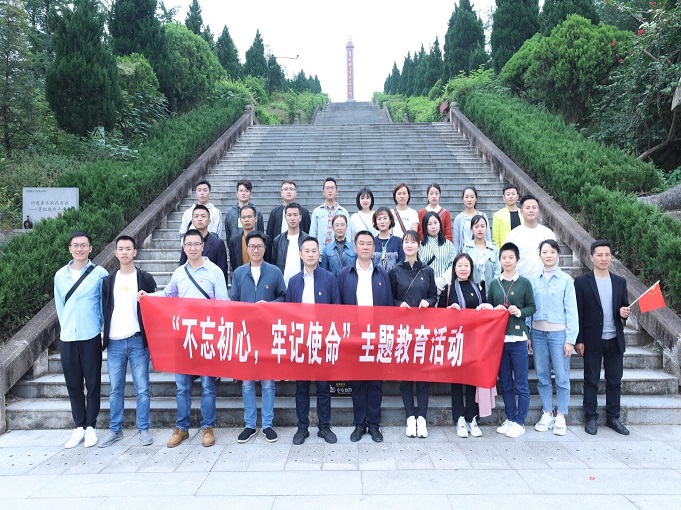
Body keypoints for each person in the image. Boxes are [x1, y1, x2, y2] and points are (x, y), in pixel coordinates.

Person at [138, 229, 228, 448]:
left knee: (208, 385)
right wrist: (148, 297)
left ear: (203, 246)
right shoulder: (179, 272)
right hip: (184, 338)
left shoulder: (214, 271)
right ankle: (182, 428)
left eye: (197, 244)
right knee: (182, 387)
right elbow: (168, 295)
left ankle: (208, 427)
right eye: (189, 244)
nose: (193, 248)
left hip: (206, 336)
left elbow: (223, 303)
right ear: (183, 247)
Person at [100, 235, 157, 448]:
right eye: (121, 249)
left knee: (142, 388)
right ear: (115, 253)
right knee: (116, 389)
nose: (124, 252)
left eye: (128, 249)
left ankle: (144, 428)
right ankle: (116, 430)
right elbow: (104, 309)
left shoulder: (145, 278)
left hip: (137, 341)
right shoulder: (108, 281)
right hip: (115, 342)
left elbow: (156, 304)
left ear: (135, 252)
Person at [230, 231, 287, 443]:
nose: (255, 250)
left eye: (259, 246)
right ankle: (249, 424)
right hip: (246, 335)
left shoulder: (274, 272)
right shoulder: (239, 273)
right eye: (252, 246)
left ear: (265, 248)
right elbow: (233, 301)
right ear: (247, 249)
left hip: (268, 334)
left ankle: (268, 424)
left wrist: (269, 306)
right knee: (247, 383)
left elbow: (284, 297)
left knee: (268, 382)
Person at [54, 231, 108, 448]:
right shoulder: (60, 275)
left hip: (90, 335)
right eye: (75, 245)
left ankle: (91, 427)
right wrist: (66, 327)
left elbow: (103, 305)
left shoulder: (100, 273)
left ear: (90, 248)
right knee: (73, 383)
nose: (79, 249)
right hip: (68, 337)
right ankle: (79, 426)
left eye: (83, 245)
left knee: (93, 383)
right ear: (70, 249)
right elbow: (60, 306)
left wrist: (98, 326)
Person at [338, 231, 394, 443]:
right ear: (355, 247)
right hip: (354, 336)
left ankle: (374, 424)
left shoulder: (382, 274)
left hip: (376, 335)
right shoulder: (345, 273)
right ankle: (359, 424)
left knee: (375, 382)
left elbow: (388, 305)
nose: (365, 247)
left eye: (369, 244)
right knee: (358, 382)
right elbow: (339, 306)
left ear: (374, 248)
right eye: (361, 243)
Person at [286, 237, 340, 445]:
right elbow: (289, 313)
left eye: (313, 251)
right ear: (300, 254)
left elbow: (336, 310)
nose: (310, 254)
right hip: (301, 341)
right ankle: (302, 427)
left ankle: (324, 426)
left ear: (319, 254)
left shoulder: (329, 278)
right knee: (301, 388)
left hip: (322, 341)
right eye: (306, 251)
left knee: (323, 386)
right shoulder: (293, 281)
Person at [575, 240, 631, 436]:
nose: (604, 258)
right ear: (591, 257)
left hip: (614, 339)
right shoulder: (581, 282)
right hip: (592, 339)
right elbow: (578, 313)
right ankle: (591, 417)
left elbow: (624, 308)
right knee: (591, 380)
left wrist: (624, 313)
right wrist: (579, 339)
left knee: (614, 380)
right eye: (599, 255)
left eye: (607, 254)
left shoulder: (619, 281)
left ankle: (613, 417)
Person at [438, 253, 494, 438]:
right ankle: (459, 419)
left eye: (466, 266)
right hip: (455, 341)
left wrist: (484, 308)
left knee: (472, 380)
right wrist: (449, 311)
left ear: (471, 268)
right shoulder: (448, 289)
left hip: (475, 341)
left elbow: (487, 309)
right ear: (454, 268)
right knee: (456, 381)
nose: (463, 269)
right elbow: (437, 314)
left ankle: (472, 417)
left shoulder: (478, 288)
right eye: (459, 265)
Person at [388, 230, 437, 438]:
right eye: (406, 242)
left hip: (423, 329)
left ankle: (422, 418)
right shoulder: (395, 271)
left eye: (413, 242)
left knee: (423, 374)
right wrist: (399, 304)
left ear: (419, 245)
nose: (409, 245)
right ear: (402, 246)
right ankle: (410, 417)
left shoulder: (427, 271)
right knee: (406, 375)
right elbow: (389, 299)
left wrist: (429, 302)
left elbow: (434, 296)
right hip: (403, 330)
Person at [487, 242, 536, 438]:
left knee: (521, 382)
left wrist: (520, 311)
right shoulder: (494, 283)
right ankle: (510, 417)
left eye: (511, 258)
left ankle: (520, 421)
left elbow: (532, 307)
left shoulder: (524, 283)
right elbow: (488, 307)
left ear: (517, 260)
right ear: (499, 260)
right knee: (505, 381)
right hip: (499, 340)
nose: (507, 261)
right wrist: (495, 310)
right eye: (504, 258)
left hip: (518, 338)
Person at [530, 239, 578, 436]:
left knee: (561, 375)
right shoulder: (533, 280)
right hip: (537, 334)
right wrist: (528, 335)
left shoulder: (566, 280)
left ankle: (561, 414)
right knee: (542, 375)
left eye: (552, 252)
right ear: (540, 255)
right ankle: (547, 412)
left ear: (558, 254)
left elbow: (572, 311)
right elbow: (530, 309)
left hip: (559, 334)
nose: (548, 255)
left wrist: (570, 340)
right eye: (544, 252)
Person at [505, 194, 556, 280]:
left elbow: (555, 258)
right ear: (521, 211)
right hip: (521, 281)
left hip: (545, 281)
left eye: (534, 207)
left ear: (538, 210)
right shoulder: (513, 235)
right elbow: (507, 260)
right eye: (527, 208)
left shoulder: (548, 233)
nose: (531, 210)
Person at [179, 204, 228, 284]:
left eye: (203, 216)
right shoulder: (187, 242)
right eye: (196, 216)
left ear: (209, 221)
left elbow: (223, 270)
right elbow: (182, 267)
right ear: (192, 221)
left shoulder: (218, 243)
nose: (199, 219)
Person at [270, 202, 310, 286]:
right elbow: (273, 264)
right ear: (285, 217)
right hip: (283, 285)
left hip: (304, 285)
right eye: (289, 215)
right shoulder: (278, 240)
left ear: (300, 217)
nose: (292, 218)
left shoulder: (308, 240)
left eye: (295, 215)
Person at [460, 215, 501, 293]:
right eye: (476, 227)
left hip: (491, 288)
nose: (480, 229)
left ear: (486, 228)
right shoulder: (467, 248)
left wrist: (494, 287)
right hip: (472, 288)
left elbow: (497, 270)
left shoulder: (494, 248)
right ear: (471, 229)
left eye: (482, 226)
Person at [309, 177, 352, 246]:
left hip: (339, 250)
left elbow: (348, 234)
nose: (330, 190)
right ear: (323, 192)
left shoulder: (344, 212)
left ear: (337, 191)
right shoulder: (317, 212)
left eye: (332, 188)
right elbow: (313, 234)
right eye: (327, 188)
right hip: (321, 251)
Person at [418, 211, 456, 280]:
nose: (433, 227)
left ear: (440, 224)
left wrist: (443, 280)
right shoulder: (420, 246)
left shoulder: (448, 245)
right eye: (429, 224)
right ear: (425, 227)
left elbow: (453, 264)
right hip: (426, 283)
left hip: (445, 283)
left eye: (435, 223)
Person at [452, 186, 491, 252]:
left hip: (482, 252)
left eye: (472, 197)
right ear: (462, 199)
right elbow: (456, 241)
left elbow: (488, 237)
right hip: (465, 253)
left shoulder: (483, 216)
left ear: (476, 199)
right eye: (466, 197)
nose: (469, 200)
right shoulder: (458, 218)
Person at [228, 205, 258, 275]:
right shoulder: (234, 241)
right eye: (243, 217)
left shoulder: (265, 240)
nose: (246, 220)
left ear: (256, 218)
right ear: (240, 220)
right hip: (241, 277)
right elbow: (234, 265)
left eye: (249, 217)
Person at [372, 207, 404, 272]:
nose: (382, 222)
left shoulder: (398, 241)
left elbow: (402, 263)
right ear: (376, 222)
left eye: (385, 218)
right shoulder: (372, 242)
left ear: (390, 221)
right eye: (379, 219)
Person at [492, 183, 523, 248]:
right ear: (504, 197)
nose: (511, 196)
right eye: (508, 194)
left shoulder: (523, 214)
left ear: (517, 196)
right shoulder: (498, 215)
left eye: (513, 194)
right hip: (506, 250)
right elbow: (495, 239)